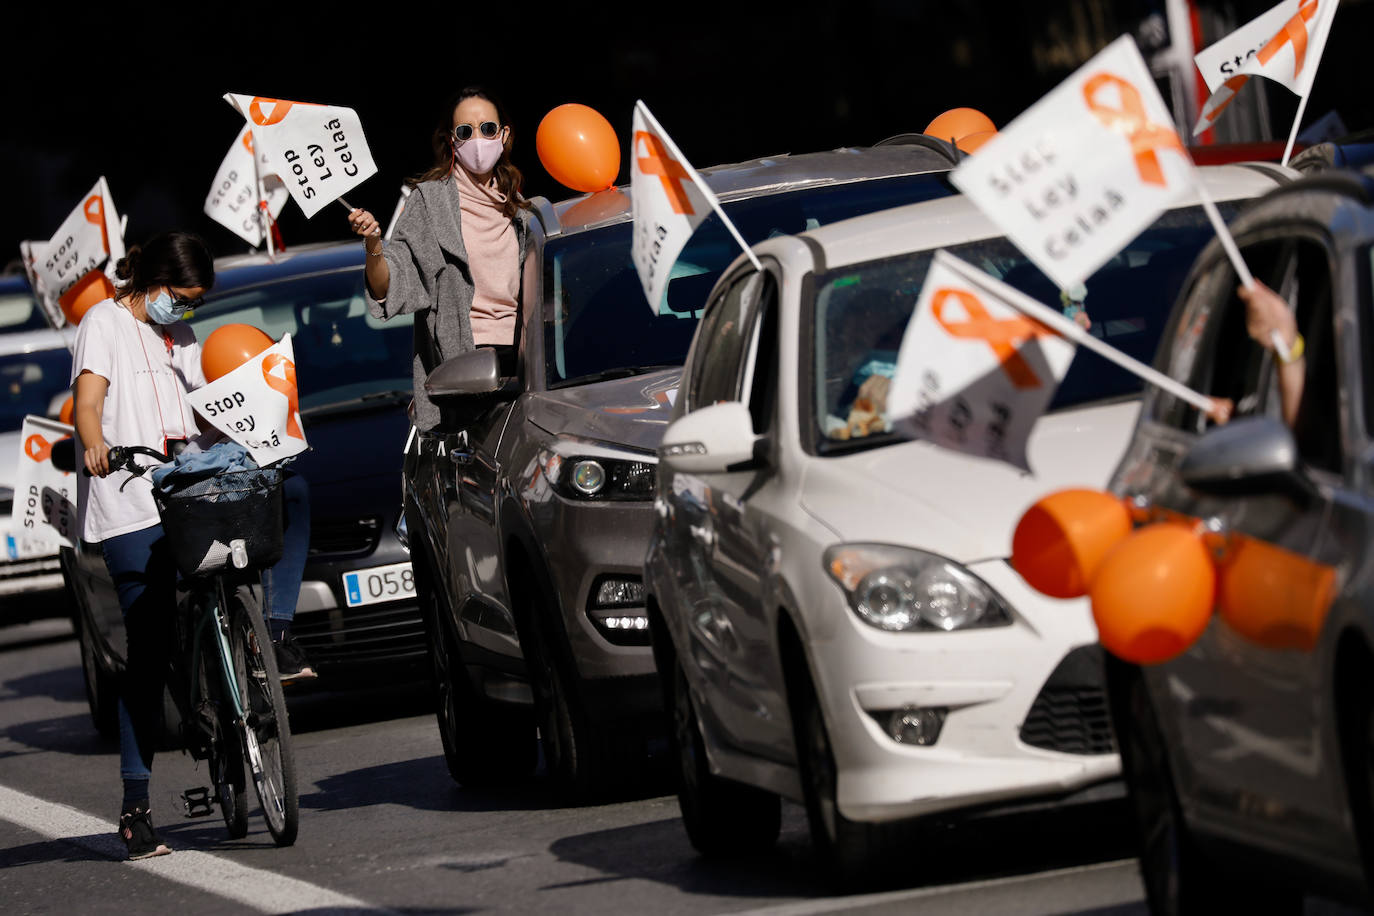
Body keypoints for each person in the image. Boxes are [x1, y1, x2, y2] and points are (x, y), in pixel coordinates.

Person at [70, 232, 312, 861]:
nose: (185, 311)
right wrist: (95, 442)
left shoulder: (182, 340)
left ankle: (272, 634)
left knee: (296, 491)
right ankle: (136, 806)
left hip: (188, 494)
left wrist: (259, 427)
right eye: (181, 298)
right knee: (148, 652)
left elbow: (210, 412)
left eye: (195, 303)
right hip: (129, 501)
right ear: (152, 280)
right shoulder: (104, 322)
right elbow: (89, 400)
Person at [345, 87, 533, 432]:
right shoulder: (428, 203)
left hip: (526, 364)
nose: (478, 139)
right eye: (466, 132)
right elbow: (394, 282)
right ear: (451, 141)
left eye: (488, 129)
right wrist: (373, 244)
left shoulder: (520, 207)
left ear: (504, 135)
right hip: (465, 370)